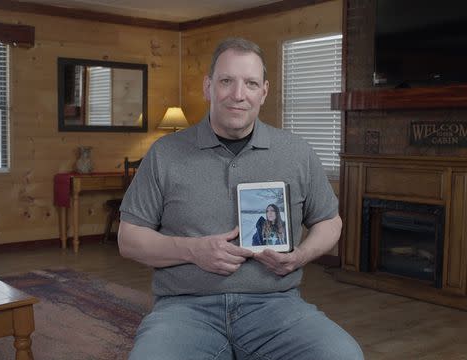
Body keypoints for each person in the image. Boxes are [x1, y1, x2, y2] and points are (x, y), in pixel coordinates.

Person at [118, 37, 363, 360]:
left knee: (344, 356)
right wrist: (194, 251)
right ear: (208, 87)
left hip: (276, 308)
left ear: (264, 91)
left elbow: (330, 222)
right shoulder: (165, 153)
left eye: (250, 83)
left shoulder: (297, 152)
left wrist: (301, 255)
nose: (238, 95)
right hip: (185, 308)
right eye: (226, 81)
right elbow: (128, 239)